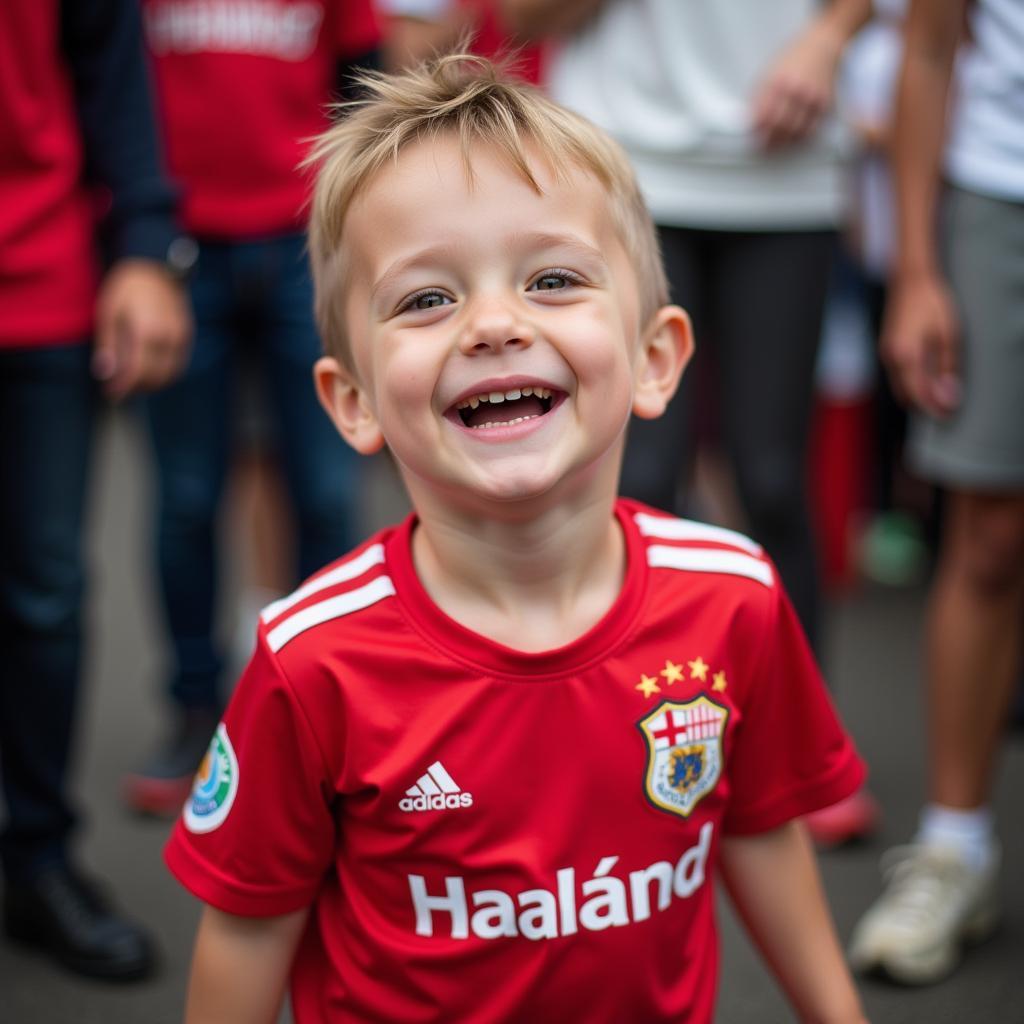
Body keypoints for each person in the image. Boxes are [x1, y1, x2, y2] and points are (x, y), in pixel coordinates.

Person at [164, 55, 868, 1023]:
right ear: (354, 400)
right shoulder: (310, 660)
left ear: (654, 358)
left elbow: (755, 827)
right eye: (425, 298)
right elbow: (247, 928)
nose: (493, 324)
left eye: (551, 279)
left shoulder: (733, 594)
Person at [502, 0, 879, 847]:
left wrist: (829, 35)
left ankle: (799, 750)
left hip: (785, 173)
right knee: (635, 477)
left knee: (775, 478)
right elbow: (522, 19)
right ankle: (616, 733)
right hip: (625, 172)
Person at [121, 0, 382, 817]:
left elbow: (361, 85)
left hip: (303, 244)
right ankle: (196, 713)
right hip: (174, 249)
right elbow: (108, 92)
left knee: (326, 491)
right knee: (188, 496)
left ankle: (324, 711)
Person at [0, 0, 191, 980]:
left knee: (44, 595)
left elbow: (110, 61)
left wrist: (147, 247)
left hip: (36, 284)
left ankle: (33, 856)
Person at [848, 0, 1024, 985]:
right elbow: (926, 44)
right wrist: (915, 268)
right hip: (1001, 192)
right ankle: (956, 845)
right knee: (987, 535)